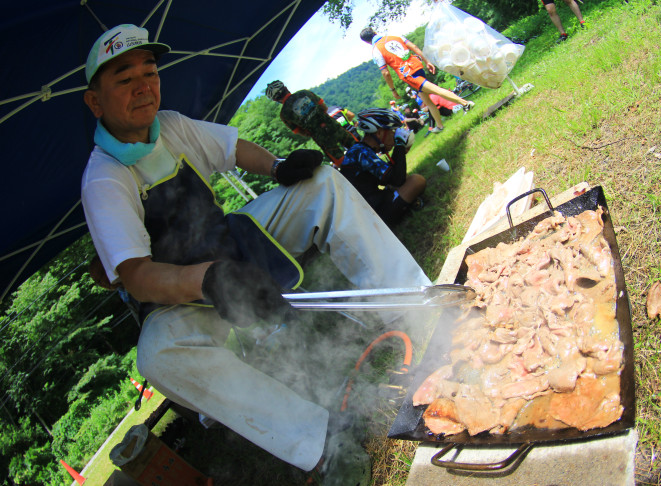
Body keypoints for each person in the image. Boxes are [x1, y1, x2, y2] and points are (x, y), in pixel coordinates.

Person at [80, 24, 432, 483]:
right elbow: (135, 275)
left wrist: (279, 166)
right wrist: (207, 279)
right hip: (185, 296)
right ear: (95, 101)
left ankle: (415, 306)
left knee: (320, 183)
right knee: (156, 354)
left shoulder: (172, 125)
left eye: (149, 71)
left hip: (233, 243)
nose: (144, 85)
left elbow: (232, 148)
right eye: (124, 79)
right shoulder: (103, 177)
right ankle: (321, 443)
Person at [360, 27, 475, 134]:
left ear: (367, 42)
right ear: (375, 32)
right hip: (417, 66)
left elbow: (385, 72)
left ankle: (465, 104)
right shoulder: (394, 36)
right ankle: (439, 126)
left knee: (436, 90)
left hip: (408, 74)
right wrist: (427, 61)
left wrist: (393, 90)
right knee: (427, 100)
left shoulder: (376, 50)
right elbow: (414, 47)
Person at [339, 109, 425, 227]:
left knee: (406, 179)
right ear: (379, 133)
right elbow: (397, 179)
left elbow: (391, 176)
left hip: (366, 212)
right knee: (417, 181)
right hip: (371, 217)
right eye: (392, 132)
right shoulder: (361, 152)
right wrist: (399, 144)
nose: (394, 136)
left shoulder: (359, 150)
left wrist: (400, 152)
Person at [266, 80, 358, 166]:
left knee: (342, 162)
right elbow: (324, 108)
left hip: (321, 137)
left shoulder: (284, 114)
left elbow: (300, 132)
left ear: (275, 100)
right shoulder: (304, 93)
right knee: (357, 147)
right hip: (333, 126)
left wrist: (313, 130)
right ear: (286, 88)